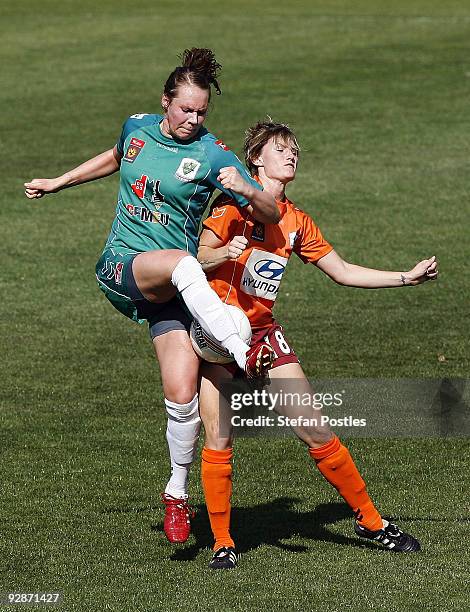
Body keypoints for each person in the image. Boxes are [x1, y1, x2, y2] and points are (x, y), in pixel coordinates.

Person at [24, 49, 279, 545]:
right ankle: (242, 347)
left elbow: (270, 211)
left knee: (182, 396)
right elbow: (116, 156)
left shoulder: (213, 154)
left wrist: (246, 191)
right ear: (165, 102)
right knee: (185, 264)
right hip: (124, 266)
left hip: (172, 291)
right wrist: (59, 182)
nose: (193, 119)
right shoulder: (137, 127)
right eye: (185, 109)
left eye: (201, 112)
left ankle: (176, 495)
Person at [196, 119, 438, 569]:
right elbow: (197, 256)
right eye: (281, 149)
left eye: (295, 151)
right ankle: (223, 542)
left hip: (263, 335)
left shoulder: (296, 221)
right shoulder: (232, 206)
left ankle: (370, 520)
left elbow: (342, 271)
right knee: (219, 437)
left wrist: (406, 277)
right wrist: (221, 255)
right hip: (215, 337)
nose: (291, 156)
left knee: (317, 430)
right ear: (255, 159)